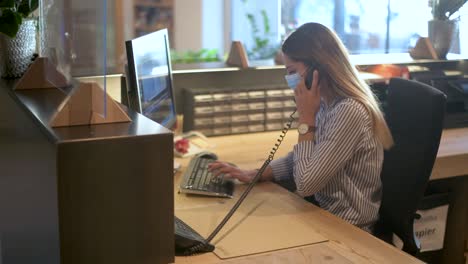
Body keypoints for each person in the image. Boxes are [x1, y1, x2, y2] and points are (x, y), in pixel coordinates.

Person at [208, 22, 394, 233]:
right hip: (322, 215)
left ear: (317, 69)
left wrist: (306, 120)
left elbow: (306, 185)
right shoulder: (327, 102)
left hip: (349, 229)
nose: (290, 80)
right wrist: (258, 173)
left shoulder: (348, 110)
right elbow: (310, 157)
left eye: (292, 71)